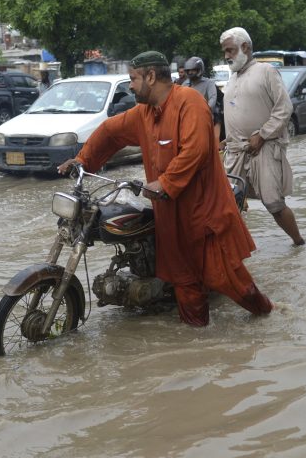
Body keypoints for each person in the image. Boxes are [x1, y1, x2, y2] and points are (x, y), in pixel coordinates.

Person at [57, 50, 272, 327]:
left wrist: (166, 182)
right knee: (184, 285)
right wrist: (83, 160)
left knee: (229, 281)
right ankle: (197, 342)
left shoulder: (189, 102)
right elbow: (110, 131)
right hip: (170, 217)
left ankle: (266, 313)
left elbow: (195, 150)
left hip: (204, 215)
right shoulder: (143, 113)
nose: (131, 85)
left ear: (150, 76)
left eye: (133, 79)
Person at [219, 26, 305, 246]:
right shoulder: (232, 79)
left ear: (245, 47)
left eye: (229, 50)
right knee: (228, 204)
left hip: (264, 147)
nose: (226, 56)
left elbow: (284, 108)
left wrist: (263, 135)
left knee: (273, 203)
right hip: (236, 151)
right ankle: (235, 253)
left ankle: (298, 243)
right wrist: (226, 141)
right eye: (225, 51)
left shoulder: (266, 71)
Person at [183, 56, 221, 144]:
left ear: (199, 69)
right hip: (188, 120)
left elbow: (212, 99)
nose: (190, 72)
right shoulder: (185, 84)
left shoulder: (209, 83)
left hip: (205, 119)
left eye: (193, 70)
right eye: (188, 70)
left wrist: (203, 110)